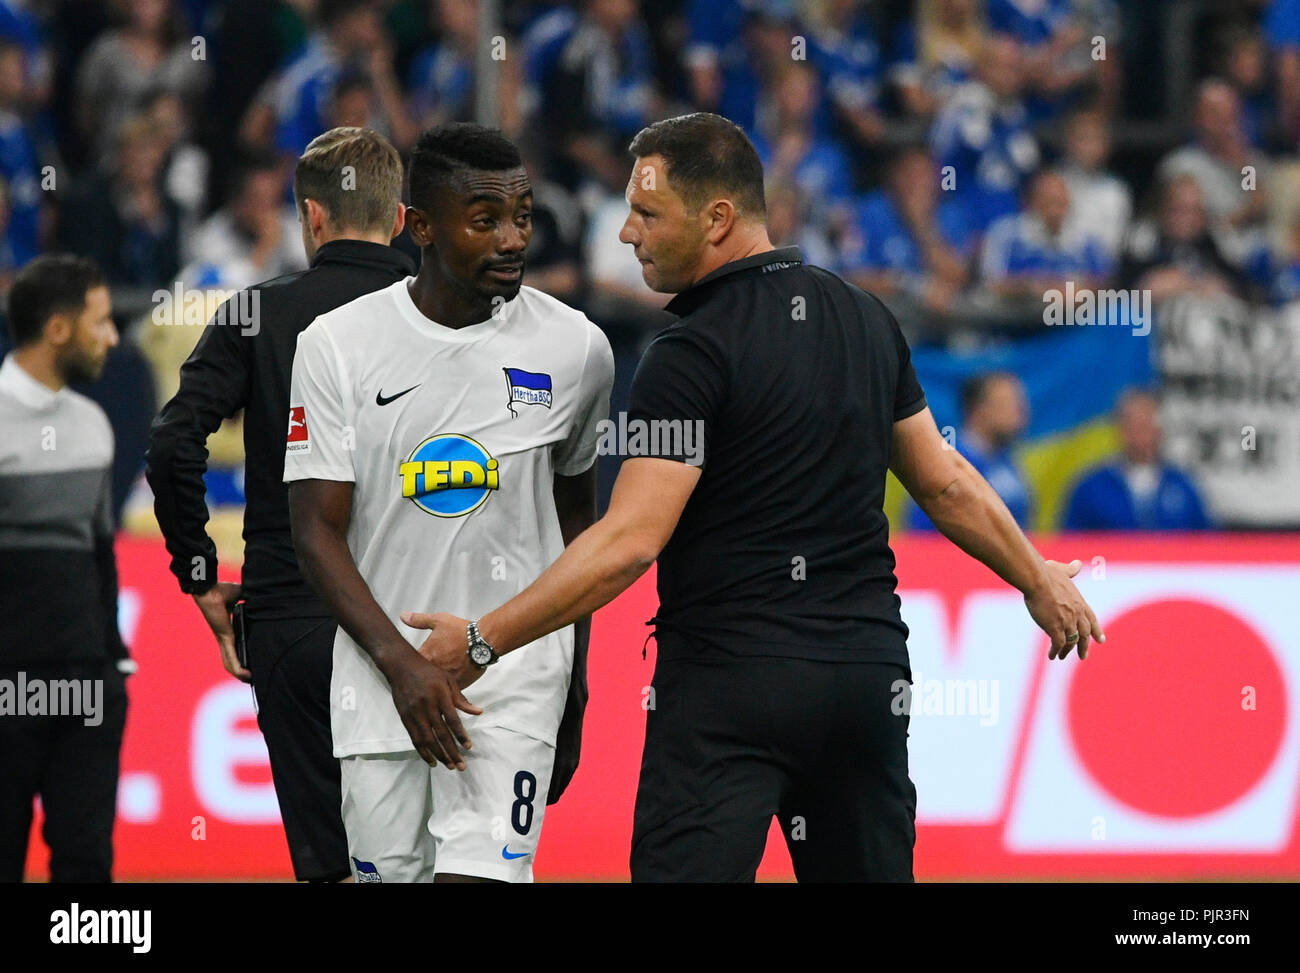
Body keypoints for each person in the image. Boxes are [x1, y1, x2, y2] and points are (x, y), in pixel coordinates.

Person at [399, 112, 1104, 883]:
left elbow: (632, 539)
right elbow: (944, 479)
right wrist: (1036, 576)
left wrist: (481, 640)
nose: (628, 234)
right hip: (866, 683)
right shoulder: (866, 317)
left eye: (646, 213)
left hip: (729, 692)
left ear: (719, 219)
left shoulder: (687, 351)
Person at [284, 123, 614, 884]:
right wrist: (402, 665)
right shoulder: (337, 344)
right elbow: (315, 533)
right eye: (486, 219)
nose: (512, 240)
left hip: (514, 681)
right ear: (421, 225)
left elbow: (577, 528)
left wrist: (576, 683)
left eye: (523, 217)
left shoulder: (577, 350)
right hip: (380, 681)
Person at [145, 127, 412, 883]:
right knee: (429, 854)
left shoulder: (258, 314)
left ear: (312, 217)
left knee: (328, 864)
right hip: (423, 624)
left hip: (294, 617)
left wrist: (200, 571)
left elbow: (172, 442)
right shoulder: (452, 316)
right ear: (398, 219)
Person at [0, 254, 131, 882]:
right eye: (100, 322)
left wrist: (112, 662)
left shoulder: (94, 426)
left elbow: (99, 551)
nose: (112, 337)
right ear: (58, 329)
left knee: (86, 865)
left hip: (88, 689)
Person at [1063, 388, 1213, 531]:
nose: (1143, 436)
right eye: (1135, 426)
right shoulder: (1091, 489)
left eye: (1148, 425)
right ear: (1121, 429)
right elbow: (1070, 547)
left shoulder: (1182, 486)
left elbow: (1208, 546)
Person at [909, 371, 1033, 532]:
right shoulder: (948, 466)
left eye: (1019, 403)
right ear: (977, 410)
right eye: (1006, 403)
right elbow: (924, 535)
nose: (1019, 413)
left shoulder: (1005, 461)